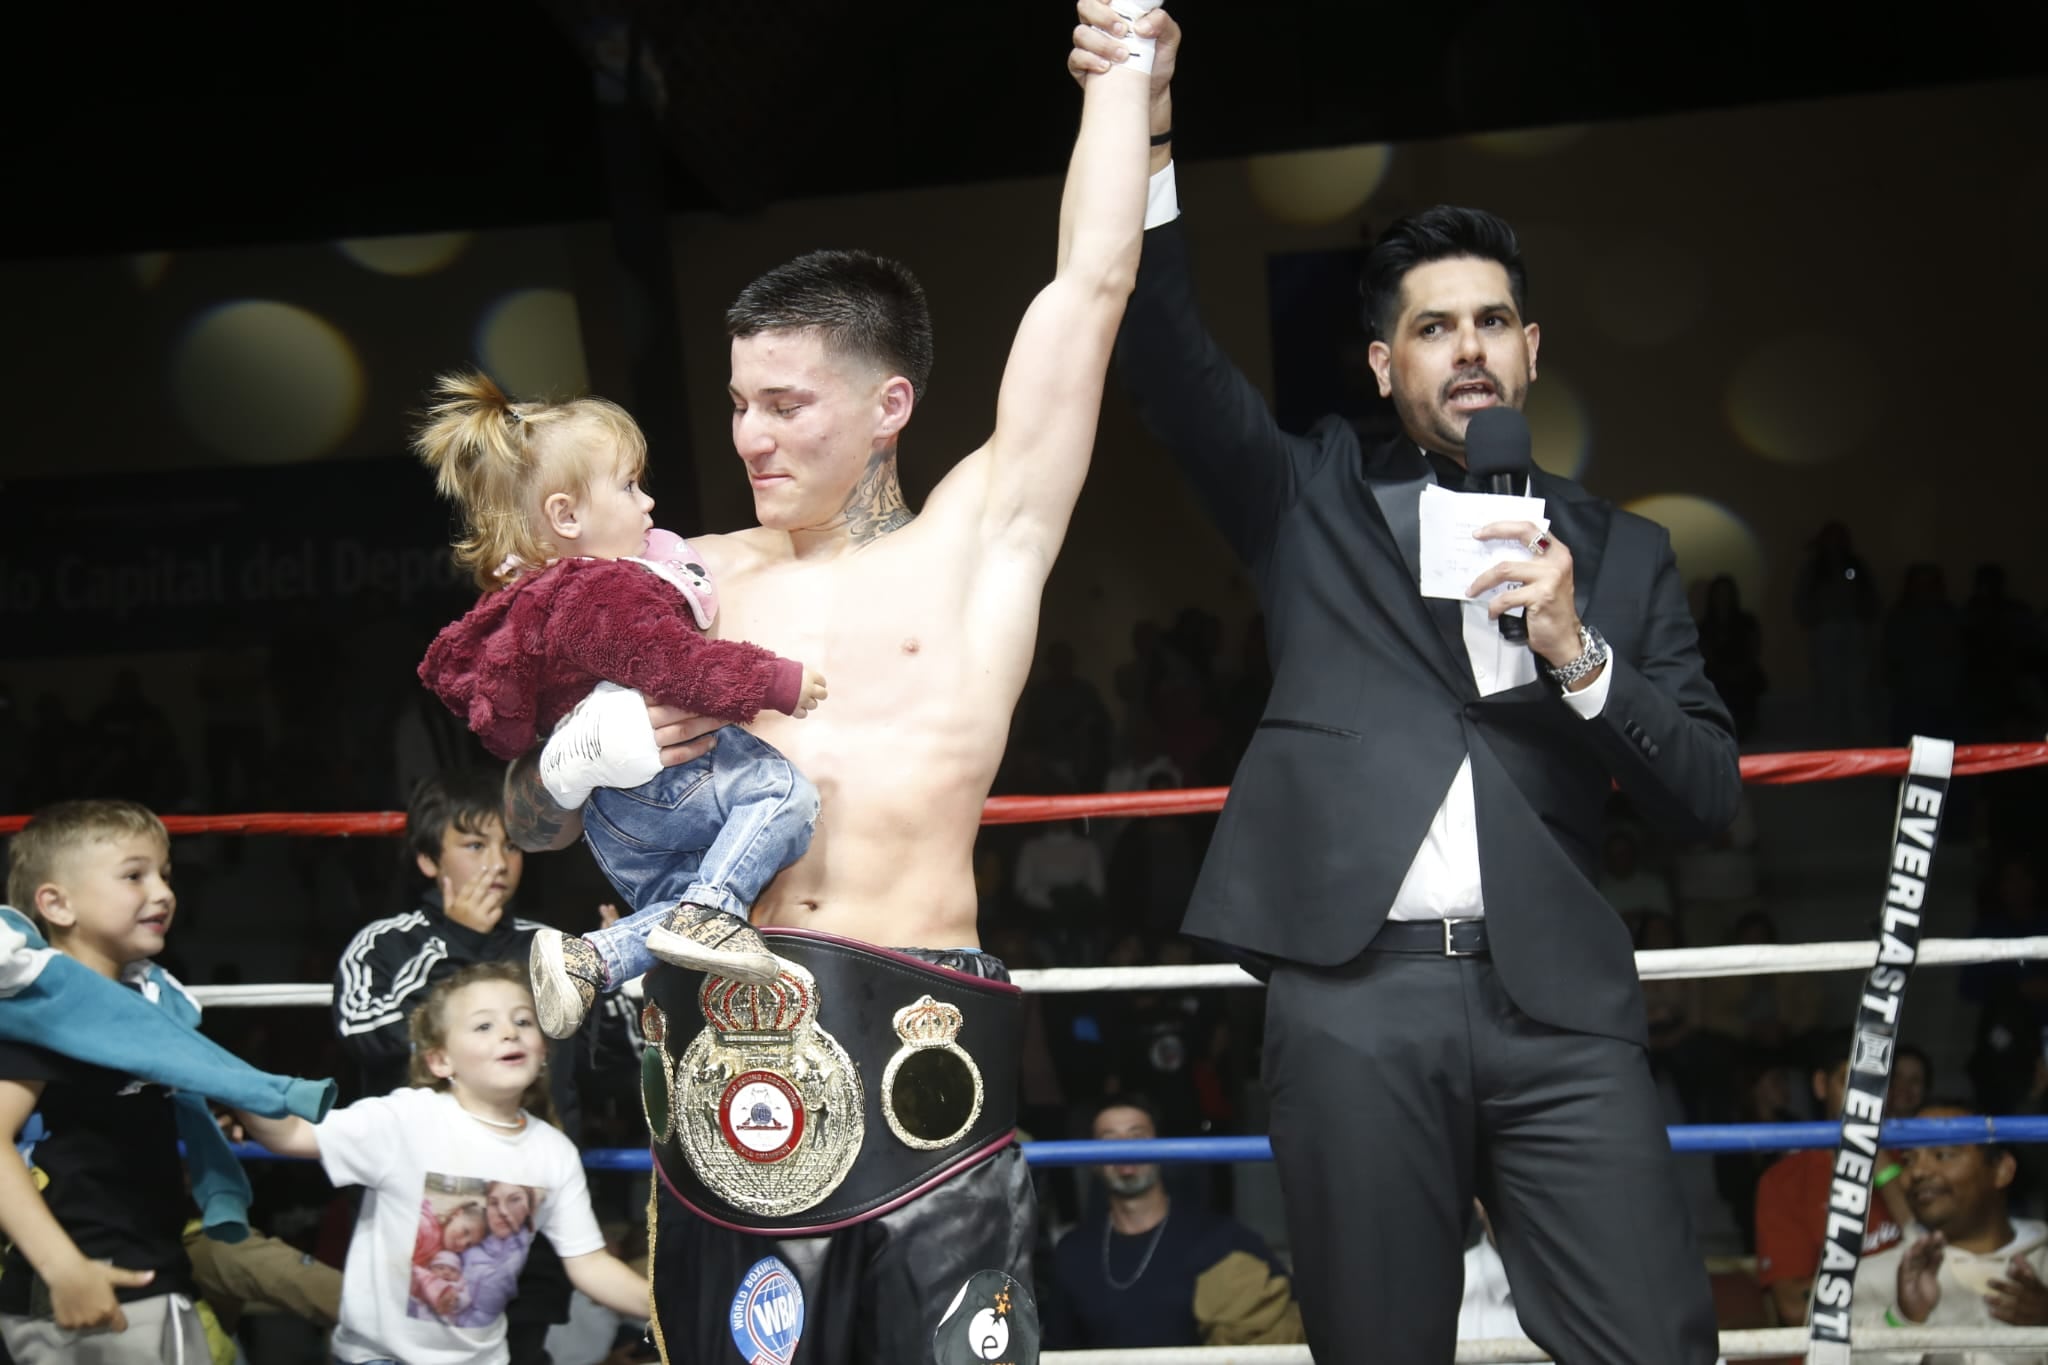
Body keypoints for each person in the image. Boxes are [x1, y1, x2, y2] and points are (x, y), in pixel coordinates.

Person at [1068, 8, 1742, 1361]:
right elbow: (1155, 340)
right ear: (1388, 363)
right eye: (1435, 327)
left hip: (1556, 1009)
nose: (1471, 347)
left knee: (1660, 1341)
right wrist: (1144, 119)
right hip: (1353, 1000)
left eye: (1494, 320)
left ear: (1534, 350)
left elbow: (1707, 794)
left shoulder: (1624, 555)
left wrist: (1577, 652)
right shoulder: (1306, 497)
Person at [499, 14, 1154, 1360]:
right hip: (720, 1074)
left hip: (922, 1056)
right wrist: (564, 764)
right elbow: (525, 821)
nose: (750, 436)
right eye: (740, 403)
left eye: (789, 405)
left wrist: (1129, 65)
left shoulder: (978, 544)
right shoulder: (679, 580)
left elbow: (1089, 286)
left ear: (889, 404)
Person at [412, 375, 828, 1036]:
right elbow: (677, 664)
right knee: (784, 797)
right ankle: (714, 912)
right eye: (630, 485)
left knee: (675, 905)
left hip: (618, 821)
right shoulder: (602, 588)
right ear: (566, 516)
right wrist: (774, 680)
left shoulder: (547, 600)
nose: (650, 500)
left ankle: (593, 958)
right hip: (671, 782)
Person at [330, 766, 612, 1363]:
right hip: (419, 1226)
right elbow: (362, 1035)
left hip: (532, 1208)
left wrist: (623, 986)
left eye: (511, 845)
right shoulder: (387, 945)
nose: (497, 863)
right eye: (474, 844)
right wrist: (458, 941)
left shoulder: (551, 948)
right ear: (431, 861)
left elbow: (602, 1068)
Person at [236, 963, 650, 1365]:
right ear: (440, 1061)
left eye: (523, 1022)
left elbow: (590, 1265)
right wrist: (226, 1079)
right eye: (483, 1026)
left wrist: (668, 1307)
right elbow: (290, 1135)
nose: (509, 1032)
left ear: (543, 1050)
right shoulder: (406, 1119)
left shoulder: (553, 1152)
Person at [0, 801, 217, 1360]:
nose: (163, 892)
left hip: (129, 1278)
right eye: (134, 875)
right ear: (56, 903)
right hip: (94, 1288)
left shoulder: (136, 1004)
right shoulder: (47, 1009)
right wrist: (63, 1268)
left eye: (165, 875)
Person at [1047, 1097, 1302, 1349]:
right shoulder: (1073, 1253)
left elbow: (1286, 1334)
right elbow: (1057, 1351)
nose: (1124, 1150)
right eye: (1109, 1141)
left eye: (1137, 1138)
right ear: (1093, 1161)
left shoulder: (1222, 1240)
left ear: (1161, 1147)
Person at [1852, 1104, 2048, 1363]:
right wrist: (1902, 1321)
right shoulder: (1870, 1279)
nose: (1917, 1172)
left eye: (1942, 1155)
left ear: (2002, 1170)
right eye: (1908, 1160)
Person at [1754, 1036, 1907, 1325]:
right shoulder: (1785, 1180)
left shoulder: (1916, 1164)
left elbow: (1943, 1276)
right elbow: (1793, 1306)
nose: (1865, 1100)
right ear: (1821, 1086)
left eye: (1877, 1086)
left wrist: (1885, 1170)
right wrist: (1895, 1285)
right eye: (1851, 1082)